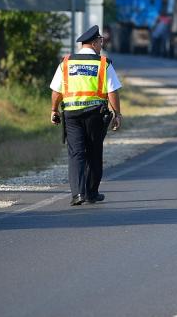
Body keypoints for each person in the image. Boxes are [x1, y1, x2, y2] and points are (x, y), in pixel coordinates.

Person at [49, 25, 123, 206]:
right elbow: (112, 91)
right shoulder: (103, 63)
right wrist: (117, 114)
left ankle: (77, 194)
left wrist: (54, 110)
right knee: (94, 152)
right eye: (100, 41)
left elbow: (57, 91)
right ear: (94, 42)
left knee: (76, 154)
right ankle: (91, 193)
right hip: (95, 115)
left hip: (71, 115)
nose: (101, 45)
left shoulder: (66, 62)